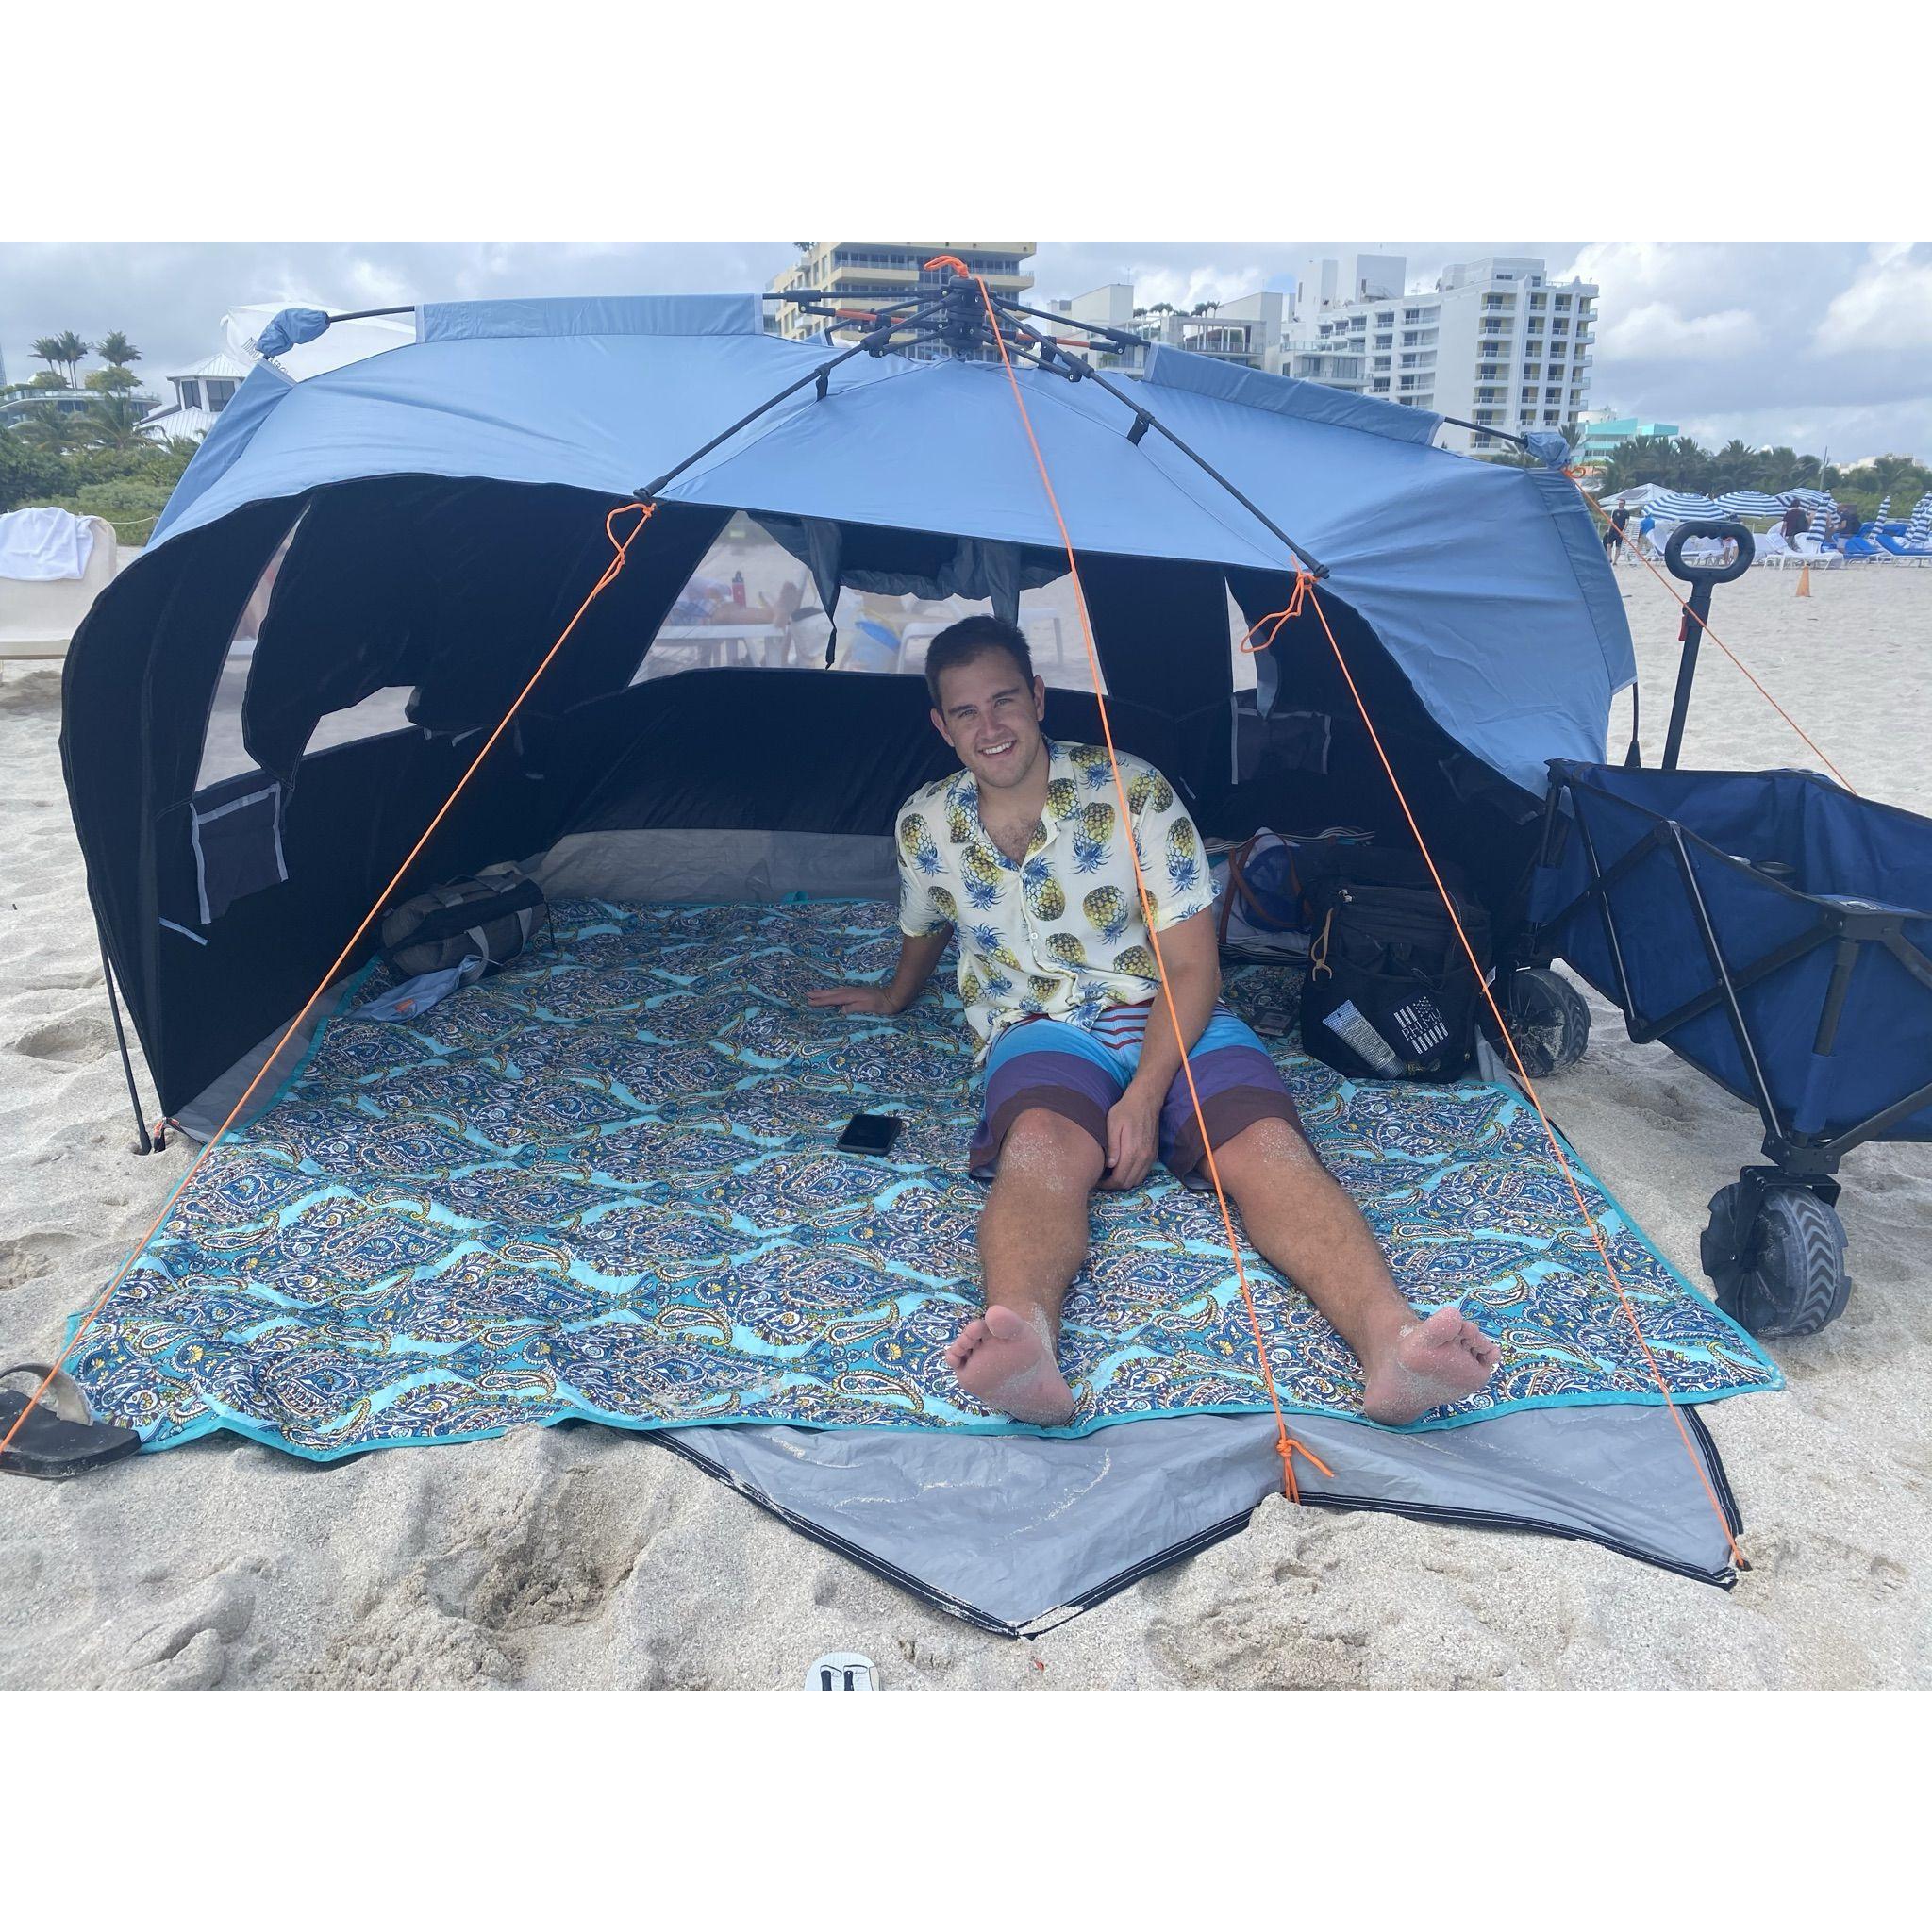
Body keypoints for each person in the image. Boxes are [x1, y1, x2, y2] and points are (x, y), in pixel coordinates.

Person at [808, 615, 1500, 1428]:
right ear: (942, 726)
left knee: (1269, 1148)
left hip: (1167, 1007)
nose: (990, 727)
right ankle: (1024, 1343)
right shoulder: (925, 824)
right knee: (1038, 1147)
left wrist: (1143, 1095)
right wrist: (894, 995)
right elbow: (925, 922)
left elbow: (1193, 968)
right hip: (1037, 1024)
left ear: (1037, 697)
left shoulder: (1135, 794)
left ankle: (1395, 1347)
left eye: (1005, 700)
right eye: (966, 712)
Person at [1603, 498, 1630, 562]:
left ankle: (1615, 561)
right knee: (1608, 545)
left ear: (1624, 504)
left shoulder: (1626, 512)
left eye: (1621, 503)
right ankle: (1609, 558)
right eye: (1619, 503)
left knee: (1618, 547)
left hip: (1620, 531)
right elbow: (1611, 521)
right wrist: (1609, 529)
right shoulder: (1615, 511)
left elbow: (1627, 522)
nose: (1620, 504)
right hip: (1613, 530)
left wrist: (1623, 531)